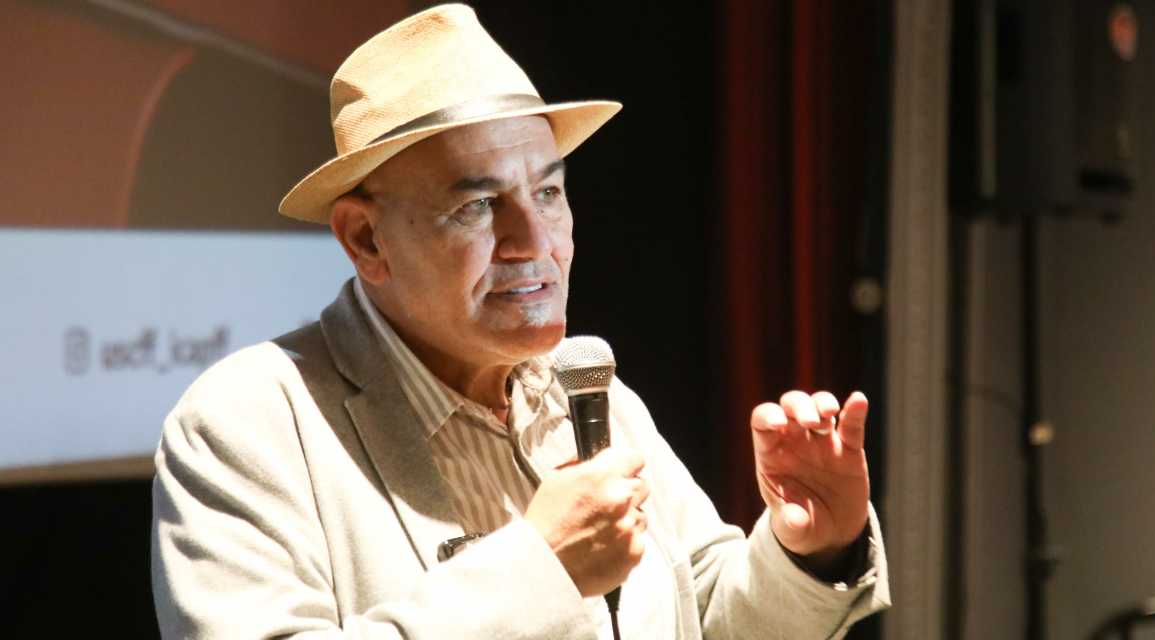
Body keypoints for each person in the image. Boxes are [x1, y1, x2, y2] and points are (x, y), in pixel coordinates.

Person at [150, 5, 890, 639]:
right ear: (366, 239)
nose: (533, 244)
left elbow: (704, 612)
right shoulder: (247, 424)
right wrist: (541, 570)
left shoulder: (590, 396)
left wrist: (807, 550)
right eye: (477, 205)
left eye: (548, 193)